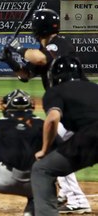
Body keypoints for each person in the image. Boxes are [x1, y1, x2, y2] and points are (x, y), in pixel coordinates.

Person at [0, 8, 91, 213]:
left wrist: (16, 46)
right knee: (55, 149)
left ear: (36, 29)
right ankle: (68, 195)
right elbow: (25, 75)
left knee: (56, 149)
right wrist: (9, 60)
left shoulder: (58, 44)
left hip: (77, 110)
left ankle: (76, 198)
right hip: (70, 111)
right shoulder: (46, 49)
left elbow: (40, 59)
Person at [31, 56, 97, 215]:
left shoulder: (55, 92)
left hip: (90, 137)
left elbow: (53, 119)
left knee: (41, 170)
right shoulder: (94, 87)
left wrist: (45, 150)